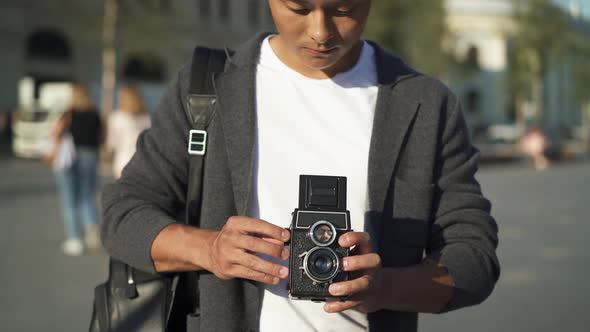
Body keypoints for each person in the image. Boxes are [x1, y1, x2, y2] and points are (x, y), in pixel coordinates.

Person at [101, 1, 500, 331]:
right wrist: (210, 249)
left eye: (343, 8)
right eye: (299, 7)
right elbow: (121, 214)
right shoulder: (209, 88)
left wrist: (386, 287)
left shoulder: (425, 104)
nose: (321, 31)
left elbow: (474, 256)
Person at [46, 84, 103, 256]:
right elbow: (102, 137)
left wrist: (52, 152)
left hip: (68, 158)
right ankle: (91, 226)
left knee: (69, 198)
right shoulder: (95, 115)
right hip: (91, 155)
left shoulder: (67, 114)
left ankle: (74, 239)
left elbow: (55, 134)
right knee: (86, 195)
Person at [105, 85, 151, 179]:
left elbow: (112, 144)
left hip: (122, 161)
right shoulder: (146, 118)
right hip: (141, 162)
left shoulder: (116, 118)